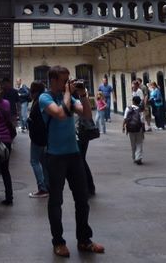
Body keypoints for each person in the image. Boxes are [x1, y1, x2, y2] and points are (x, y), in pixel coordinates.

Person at [40, 66, 105, 257]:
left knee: (82, 200)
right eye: (64, 80)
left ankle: (84, 240)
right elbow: (60, 114)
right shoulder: (45, 98)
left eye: (68, 80)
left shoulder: (70, 97)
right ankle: (58, 242)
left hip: (74, 154)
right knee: (56, 201)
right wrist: (68, 93)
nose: (67, 83)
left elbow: (87, 114)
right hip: (55, 156)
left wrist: (83, 94)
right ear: (53, 80)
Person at [27, 81, 49, 198]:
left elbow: (37, 121)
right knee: (43, 162)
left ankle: (42, 188)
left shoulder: (38, 102)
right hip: (44, 136)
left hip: (38, 137)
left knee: (34, 161)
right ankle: (47, 186)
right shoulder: (43, 100)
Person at [123, 95, 145, 164]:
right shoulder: (140, 110)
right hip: (139, 128)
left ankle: (134, 157)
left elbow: (125, 118)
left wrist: (123, 126)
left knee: (133, 143)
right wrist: (143, 131)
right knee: (139, 143)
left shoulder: (128, 108)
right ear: (139, 102)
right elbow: (142, 121)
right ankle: (138, 157)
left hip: (130, 128)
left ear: (133, 101)